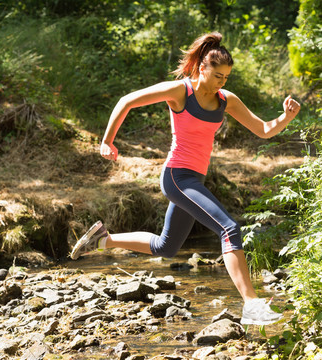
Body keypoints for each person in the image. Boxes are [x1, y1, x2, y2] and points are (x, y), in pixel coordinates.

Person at [70, 31, 301, 326]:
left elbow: (263, 130)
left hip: (195, 181)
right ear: (202, 68)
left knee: (166, 247)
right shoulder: (181, 92)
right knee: (229, 228)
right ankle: (251, 304)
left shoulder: (226, 100)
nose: (222, 82)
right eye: (218, 75)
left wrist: (286, 118)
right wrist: (107, 141)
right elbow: (127, 101)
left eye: (226, 77)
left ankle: (105, 240)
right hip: (177, 177)